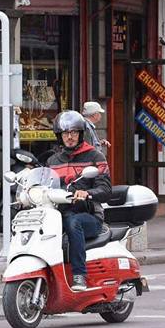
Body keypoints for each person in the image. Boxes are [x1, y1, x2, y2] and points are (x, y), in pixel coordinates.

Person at [45, 111, 112, 292]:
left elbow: (106, 190)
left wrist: (87, 193)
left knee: (73, 222)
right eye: (65, 133)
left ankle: (79, 275)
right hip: (57, 214)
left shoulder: (95, 157)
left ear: (81, 134)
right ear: (59, 136)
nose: (70, 137)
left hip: (88, 214)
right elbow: (44, 184)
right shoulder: (52, 161)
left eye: (74, 132)